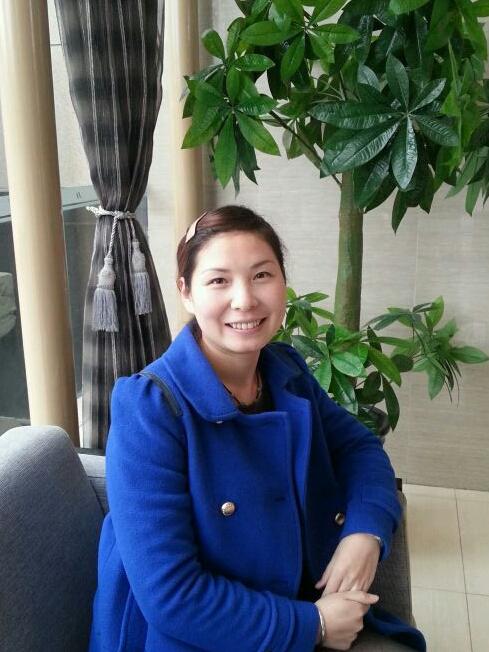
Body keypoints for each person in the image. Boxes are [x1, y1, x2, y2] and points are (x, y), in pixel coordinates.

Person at [89, 205, 426, 652]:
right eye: (218, 281)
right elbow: (172, 596)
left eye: (262, 275)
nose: (245, 300)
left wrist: (366, 531)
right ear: (186, 292)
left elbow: (360, 448)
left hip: (306, 601)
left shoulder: (285, 369)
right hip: (207, 637)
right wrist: (314, 625)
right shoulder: (149, 407)